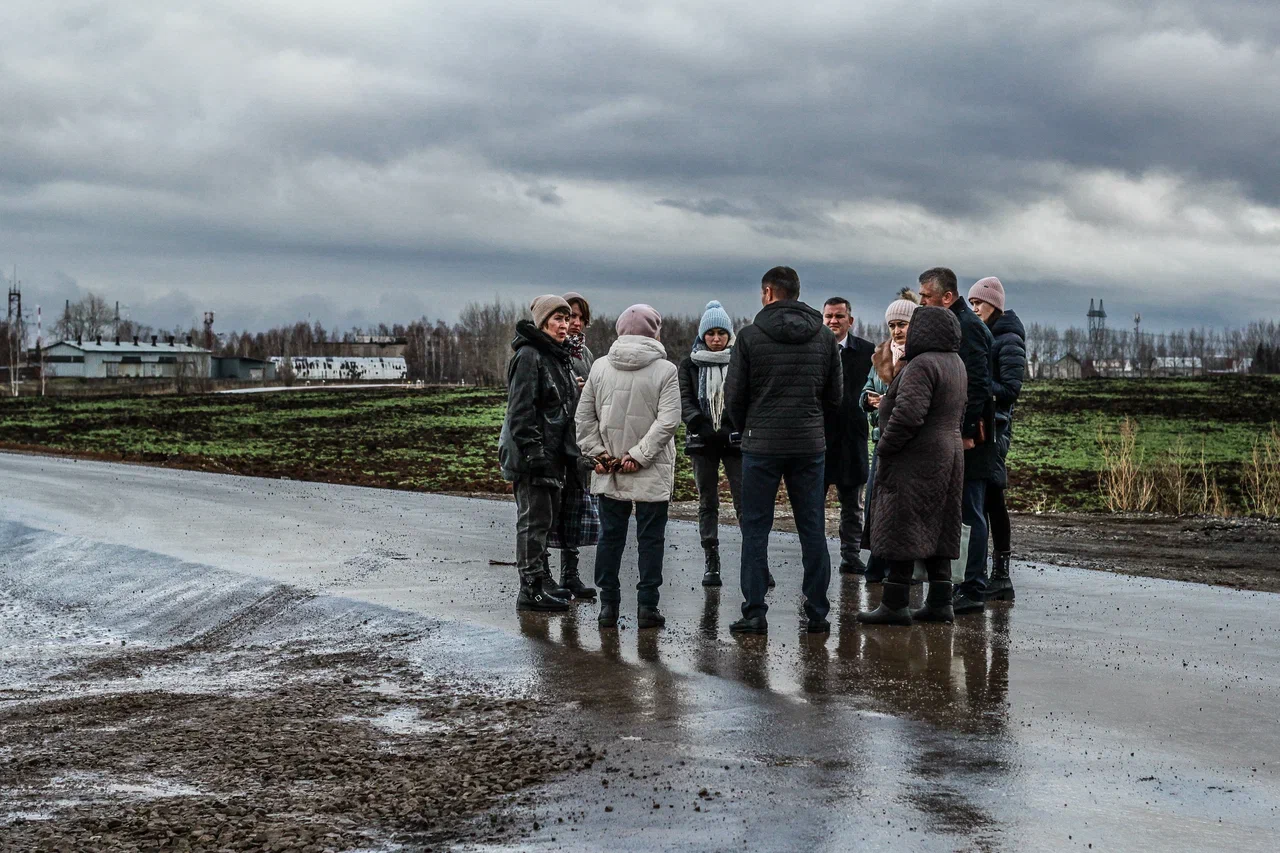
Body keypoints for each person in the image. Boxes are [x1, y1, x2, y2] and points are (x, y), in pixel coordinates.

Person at [725, 266, 842, 635]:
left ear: (768, 292)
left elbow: (734, 397)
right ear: (797, 292)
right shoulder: (824, 337)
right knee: (812, 527)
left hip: (761, 443)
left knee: (756, 528)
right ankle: (818, 613)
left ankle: (755, 612)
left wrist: (748, 426)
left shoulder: (749, 337)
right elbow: (835, 397)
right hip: (808, 444)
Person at [857, 306, 968, 625]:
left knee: (902, 525)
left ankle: (894, 603)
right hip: (949, 452)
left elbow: (908, 415)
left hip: (915, 457)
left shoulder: (922, 365)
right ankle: (939, 602)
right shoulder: (955, 363)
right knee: (938, 526)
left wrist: (887, 447)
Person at [576, 304, 681, 630]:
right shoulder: (666, 370)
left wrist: (600, 455)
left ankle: (608, 606)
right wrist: (640, 455)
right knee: (651, 539)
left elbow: (584, 418)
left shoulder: (601, 368)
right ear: (654, 332)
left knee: (611, 537)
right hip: (651, 467)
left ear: (621, 331)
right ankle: (648, 607)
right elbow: (669, 421)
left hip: (611, 469)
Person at [918, 267, 996, 615]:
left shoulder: (968, 328)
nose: (921, 302)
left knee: (971, 511)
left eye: (925, 296)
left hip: (972, 438)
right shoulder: (956, 325)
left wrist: (966, 433)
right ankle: (959, 583)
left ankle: (973, 588)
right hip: (956, 433)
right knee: (961, 510)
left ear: (946, 297)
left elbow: (977, 384)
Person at [498, 295, 582, 612]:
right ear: (543, 322)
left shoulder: (555, 357)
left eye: (566, 319)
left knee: (543, 523)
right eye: (558, 319)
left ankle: (541, 583)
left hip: (552, 455)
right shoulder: (529, 356)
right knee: (533, 524)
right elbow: (521, 412)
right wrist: (535, 454)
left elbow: (559, 406)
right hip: (533, 457)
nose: (564, 325)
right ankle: (529, 590)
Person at [967, 277, 1026, 602]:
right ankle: (990, 572)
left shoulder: (1009, 339)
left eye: (980, 304)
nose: (975, 309)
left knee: (993, 499)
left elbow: (1011, 389)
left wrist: (978, 384)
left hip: (997, 430)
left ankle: (1001, 574)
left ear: (995, 306)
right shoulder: (987, 336)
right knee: (986, 500)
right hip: (984, 427)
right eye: (973, 303)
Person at [678, 300, 743, 587]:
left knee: (745, 501)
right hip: (701, 440)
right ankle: (711, 560)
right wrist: (699, 423)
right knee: (708, 500)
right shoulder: (689, 364)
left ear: (729, 335)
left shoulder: (741, 362)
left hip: (734, 440)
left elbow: (746, 398)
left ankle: (756, 562)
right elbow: (684, 398)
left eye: (721, 333)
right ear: (702, 335)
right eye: (710, 333)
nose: (716, 339)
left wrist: (730, 425)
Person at [859, 289, 920, 583]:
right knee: (876, 503)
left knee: (902, 509)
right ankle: (877, 563)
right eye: (893, 325)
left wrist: (888, 404)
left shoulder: (920, 359)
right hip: (880, 441)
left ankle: (903, 571)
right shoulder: (879, 357)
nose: (897, 331)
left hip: (908, 447)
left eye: (903, 325)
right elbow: (864, 391)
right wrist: (868, 401)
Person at [546, 291, 599, 600]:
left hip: (579, 441)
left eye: (579, 318)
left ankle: (570, 574)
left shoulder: (585, 355)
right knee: (551, 508)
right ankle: (545, 576)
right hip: (556, 440)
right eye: (569, 317)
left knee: (575, 507)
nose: (575, 323)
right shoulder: (550, 351)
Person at [821, 297, 875, 573]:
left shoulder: (867, 352)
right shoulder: (814, 351)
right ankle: (816, 554)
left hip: (852, 438)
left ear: (850, 321)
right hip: (818, 438)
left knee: (852, 503)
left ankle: (850, 555)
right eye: (829, 316)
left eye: (839, 316)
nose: (833, 321)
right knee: (814, 502)